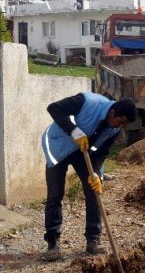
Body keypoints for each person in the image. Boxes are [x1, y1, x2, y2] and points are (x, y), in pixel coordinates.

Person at [41, 92, 136, 261]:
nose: (120, 126)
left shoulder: (113, 129)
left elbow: (101, 153)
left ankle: (93, 240)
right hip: (59, 147)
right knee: (55, 194)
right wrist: (73, 130)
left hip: (82, 153)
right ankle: (52, 242)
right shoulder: (88, 102)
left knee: (94, 192)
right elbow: (54, 108)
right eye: (120, 121)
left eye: (124, 124)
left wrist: (96, 174)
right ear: (112, 112)